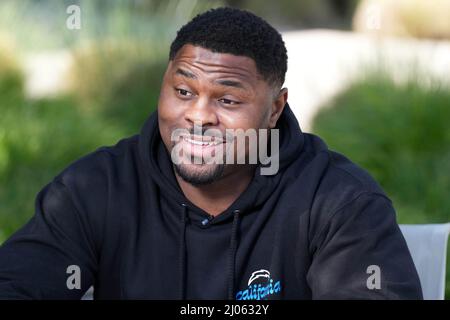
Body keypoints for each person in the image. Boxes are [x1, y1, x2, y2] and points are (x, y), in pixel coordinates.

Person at [0, 7, 422, 300]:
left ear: (275, 108)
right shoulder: (96, 188)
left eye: (227, 100)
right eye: (183, 92)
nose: (198, 117)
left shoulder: (340, 203)